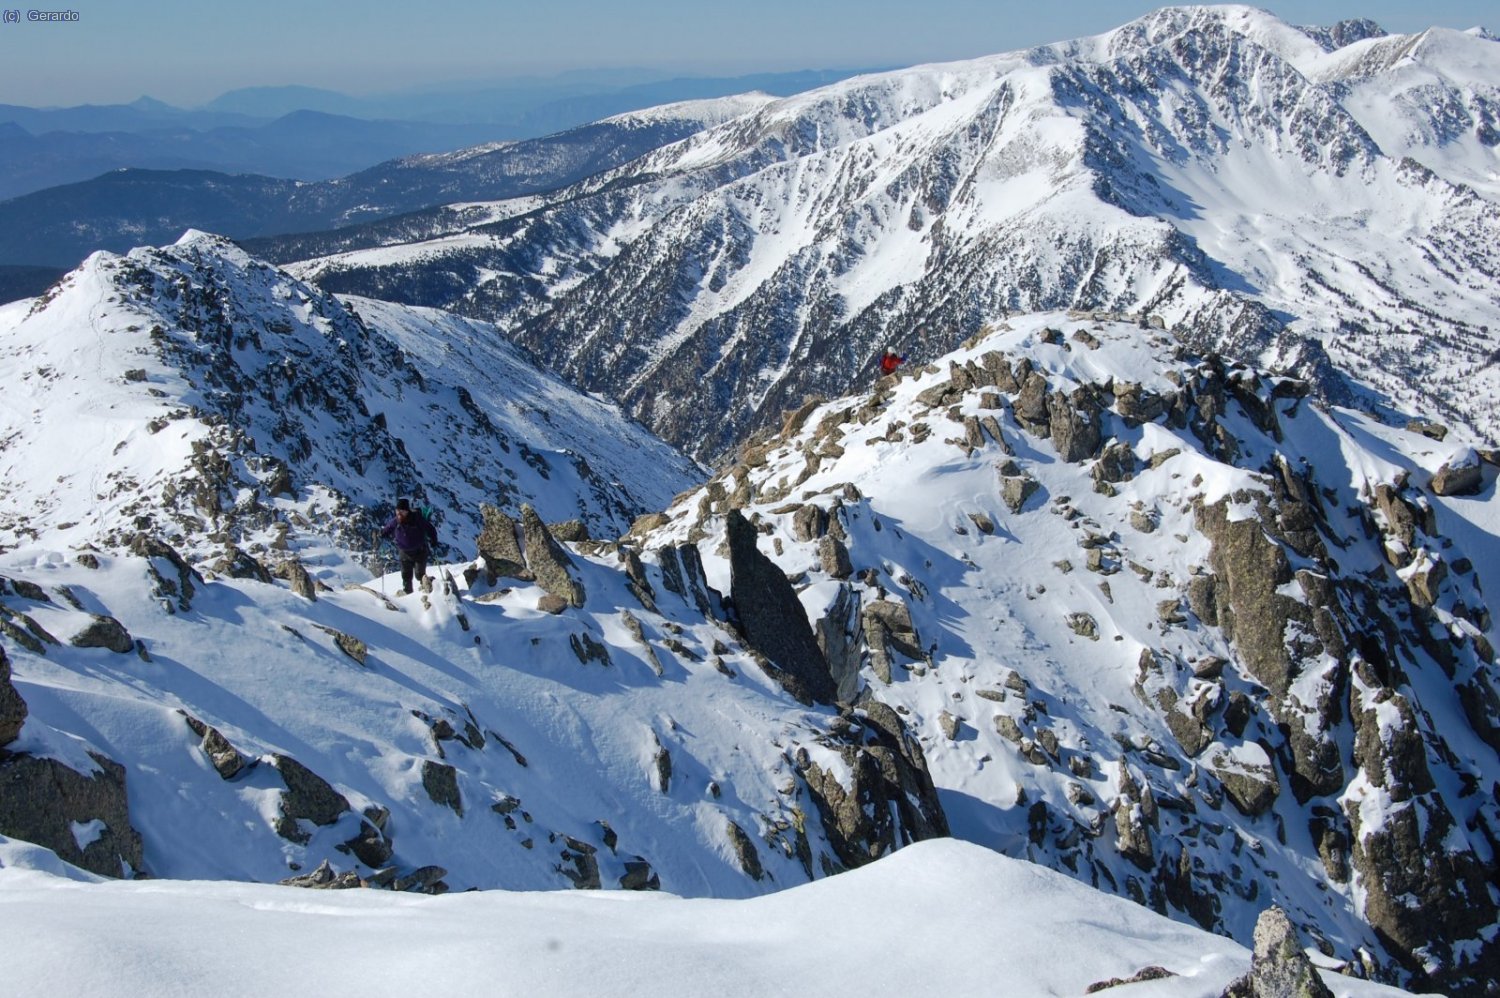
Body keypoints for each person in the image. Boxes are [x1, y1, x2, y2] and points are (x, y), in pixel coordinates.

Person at [379, 498, 439, 595]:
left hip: (419, 551)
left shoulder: (417, 519)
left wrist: (434, 540)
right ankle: (408, 595)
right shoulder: (396, 521)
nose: (399, 513)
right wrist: (382, 533)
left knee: (419, 575)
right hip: (404, 553)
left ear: (407, 511)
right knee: (406, 576)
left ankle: (430, 586)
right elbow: (388, 528)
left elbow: (430, 529)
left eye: (401, 511)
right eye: (397, 511)